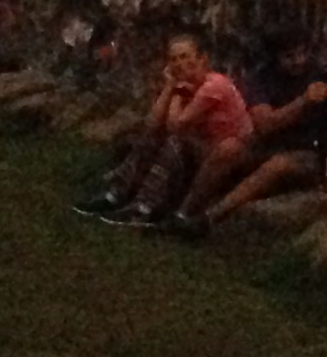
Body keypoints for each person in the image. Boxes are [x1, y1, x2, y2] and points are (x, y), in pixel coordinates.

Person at [167, 29, 327, 234]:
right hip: (266, 147)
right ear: (276, 58)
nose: (299, 61)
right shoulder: (262, 79)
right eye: (290, 56)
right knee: (229, 147)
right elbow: (265, 124)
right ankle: (184, 213)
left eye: (303, 53)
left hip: (306, 154)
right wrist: (303, 102)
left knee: (277, 165)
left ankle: (210, 218)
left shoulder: (325, 77)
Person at [78, 29, 247, 226]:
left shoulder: (213, 86)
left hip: (221, 156)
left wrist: (175, 91)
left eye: (185, 56)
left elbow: (176, 126)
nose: (179, 63)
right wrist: (170, 87)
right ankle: (116, 195)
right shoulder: (187, 86)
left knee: (175, 142)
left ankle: (144, 208)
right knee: (152, 135)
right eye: (174, 59)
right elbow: (152, 123)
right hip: (200, 149)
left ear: (202, 59)